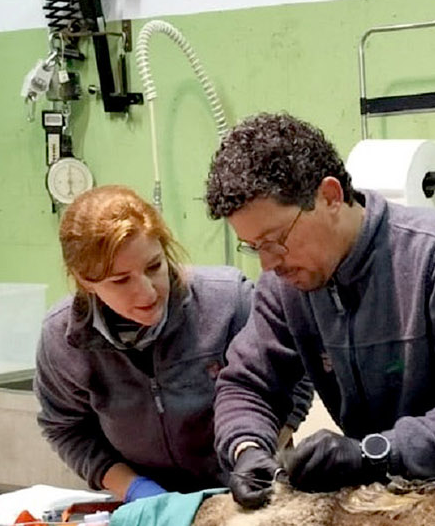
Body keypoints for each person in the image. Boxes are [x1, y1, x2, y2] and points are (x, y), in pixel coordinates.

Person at [205, 112, 435, 508]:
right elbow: (248, 382)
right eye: (253, 247)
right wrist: (247, 447)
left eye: (275, 240)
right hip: (403, 509)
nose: (268, 264)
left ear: (330, 196)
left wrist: (374, 453)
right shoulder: (286, 285)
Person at [34, 184, 306, 502]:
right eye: (121, 280)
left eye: (154, 267)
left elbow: (297, 377)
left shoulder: (230, 301)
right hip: (150, 503)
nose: (147, 292)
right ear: (86, 282)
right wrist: (136, 489)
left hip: (253, 494)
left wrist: (253, 458)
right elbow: (67, 428)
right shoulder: (64, 340)